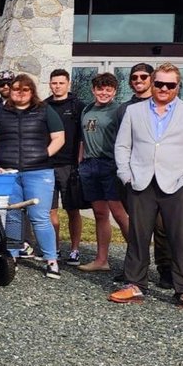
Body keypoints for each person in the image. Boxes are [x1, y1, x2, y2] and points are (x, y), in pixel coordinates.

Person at [110, 63, 183, 313]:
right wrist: (125, 175)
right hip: (140, 182)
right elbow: (122, 146)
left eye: (170, 84)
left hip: (177, 184)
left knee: (181, 238)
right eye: (159, 84)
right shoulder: (134, 112)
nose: (164, 88)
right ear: (152, 84)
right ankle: (134, 283)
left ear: (178, 86)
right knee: (137, 236)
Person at [0, 73, 66, 279]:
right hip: (9, 172)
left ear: (32, 91)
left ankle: (51, 260)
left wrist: (43, 154)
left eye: (25, 90)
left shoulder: (45, 110)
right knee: (12, 215)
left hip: (39, 172)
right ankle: (11, 257)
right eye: (15, 89)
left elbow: (59, 138)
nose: (20, 94)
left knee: (40, 217)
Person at [116, 62, 173, 287]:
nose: (138, 81)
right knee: (138, 226)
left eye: (143, 77)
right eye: (134, 78)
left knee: (162, 226)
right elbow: (122, 143)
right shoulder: (125, 109)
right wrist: (124, 175)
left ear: (151, 79)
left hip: (163, 178)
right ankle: (135, 271)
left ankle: (166, 270)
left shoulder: (163, 105)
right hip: (134, 177)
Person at [76, 73, 130, 273]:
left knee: (119, 213)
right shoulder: (87, 110)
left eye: (108, 89)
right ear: (93, 90)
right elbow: (83, 139)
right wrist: (80, 161)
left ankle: (136, 259)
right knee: (100, 213)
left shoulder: (119, 110)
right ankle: (101, 259)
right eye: (100, 89)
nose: (104, 93)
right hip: (90, 166)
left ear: (114, 91)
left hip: (111, 165)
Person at [46, 69, 87, 267]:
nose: (57, 86)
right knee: (50, 211)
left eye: (61, 83)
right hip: (47, 165)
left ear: (68, 84)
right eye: (54, 83)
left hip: (69, 165)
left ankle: (74, 249)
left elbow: (83, 137)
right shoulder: (44, 106)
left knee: (72, 210)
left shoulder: (78, 106)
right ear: (49, 84)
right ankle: (54, 249)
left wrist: (79, 160)